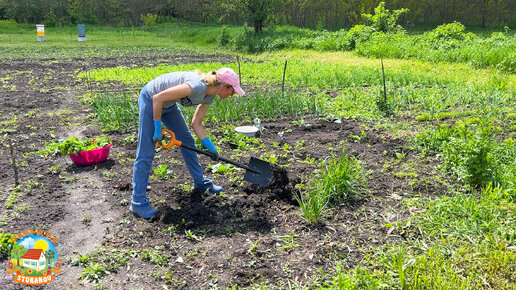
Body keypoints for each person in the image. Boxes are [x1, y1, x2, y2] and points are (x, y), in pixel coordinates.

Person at [130, 68, 245, 219]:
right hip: (151, 99)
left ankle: (200, 182)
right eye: (233, 91)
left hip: (168, 105)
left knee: (187, 141)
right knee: (146, 152)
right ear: (224, 86)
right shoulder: (196, 86)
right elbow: (158, 98)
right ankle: (137, 203)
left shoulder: (209, 95)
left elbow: (196, 123)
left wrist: (209, 146)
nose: (233, 94)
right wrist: (157, 127)